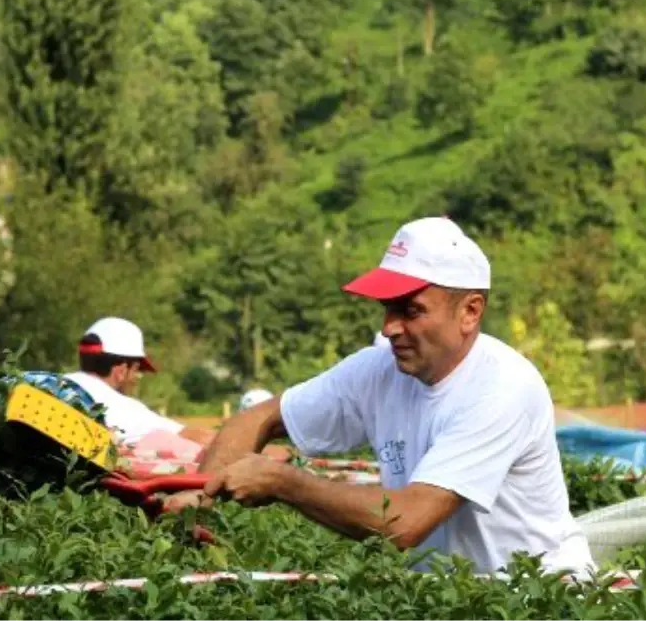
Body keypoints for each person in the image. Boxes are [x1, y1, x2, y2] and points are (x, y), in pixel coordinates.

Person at [165, 217, 592, 574]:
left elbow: (407, 522)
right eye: (387, 309)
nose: (390, 327)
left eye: (411, 310)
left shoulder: (501, 387)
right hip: (451, 599)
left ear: (470, 312)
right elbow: (259, 418)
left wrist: (283, 482)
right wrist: (199, 494)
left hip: (536, 599)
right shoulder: (378, 370)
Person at [63, 317, 215, 448]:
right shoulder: (122, 408)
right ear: (121, 371)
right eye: (136, 370)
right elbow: (198, 438)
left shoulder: (52, 384)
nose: (137, 378)